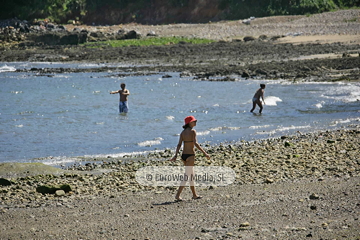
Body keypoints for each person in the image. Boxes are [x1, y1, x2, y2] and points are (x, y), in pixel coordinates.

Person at [170, 116, 211, 201]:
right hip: (191, 156)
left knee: (191, 176)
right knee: (187, 176)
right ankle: (177, 195)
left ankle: (194, 195)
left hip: (184, 156)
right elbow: (196, 144)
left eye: (195, 121)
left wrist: (176, 155)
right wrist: (205, 153)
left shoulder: (182, 133)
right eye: (194, 121)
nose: (195, 122)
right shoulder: (193, 132)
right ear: (189, 123)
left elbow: (179, 145)